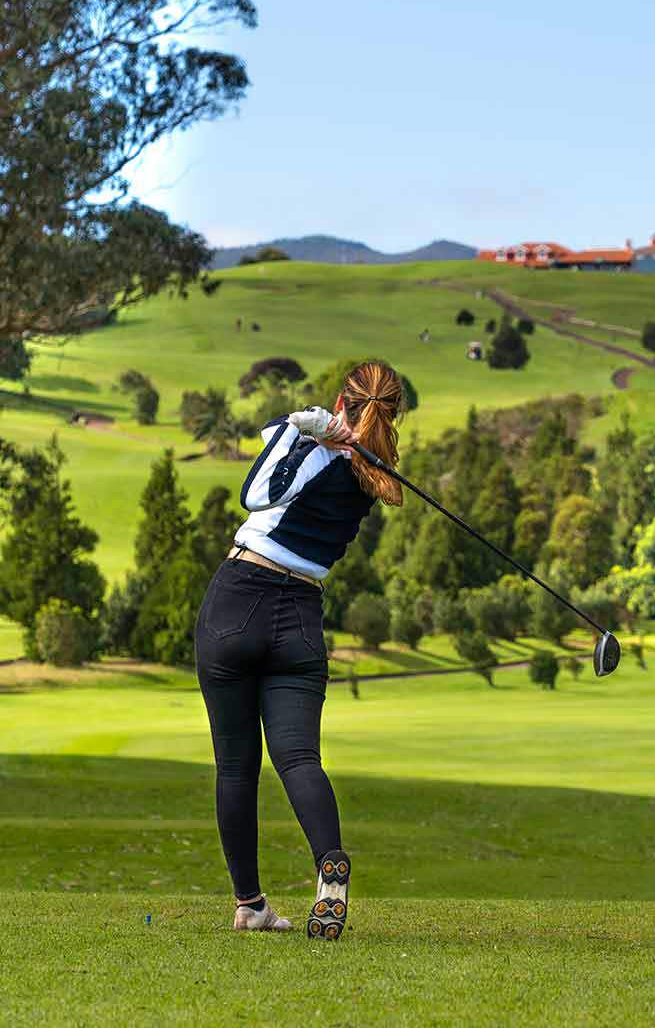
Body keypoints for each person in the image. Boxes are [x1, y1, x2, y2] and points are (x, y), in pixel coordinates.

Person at [194, 359, 406, 939]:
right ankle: (329, 867)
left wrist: (299, 426)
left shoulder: (323, 454)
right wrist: (324, 433)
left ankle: (251, 904)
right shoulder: (373, 474)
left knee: (236, 766)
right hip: (301, 617)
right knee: (298, 759)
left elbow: (254, 493)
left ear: (342, 401)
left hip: (237, 602)